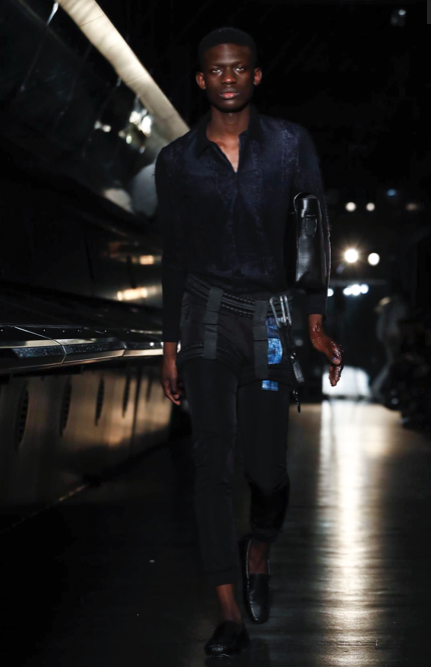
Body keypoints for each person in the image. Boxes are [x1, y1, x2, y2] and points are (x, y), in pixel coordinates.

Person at [156, 26, 343, 658]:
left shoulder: (290, 144)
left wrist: (315, 320)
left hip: (270, 318)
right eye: (217, 70)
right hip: (206, 316)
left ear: (255, 75)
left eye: (239, 68)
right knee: (212, 464)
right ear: (202, 79)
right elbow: (174, 256)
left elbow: (312, 231)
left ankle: (258, 549)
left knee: (266, 469)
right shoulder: (177, 160)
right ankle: (229, 612)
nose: (229, 78)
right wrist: (170, 346)